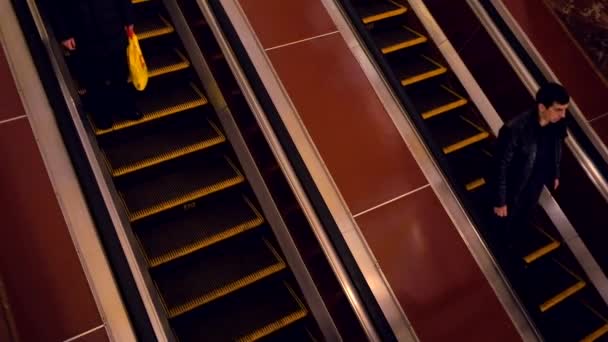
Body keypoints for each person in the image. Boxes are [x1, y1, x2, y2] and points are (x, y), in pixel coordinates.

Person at [492, 82, 569, 256]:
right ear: (542, 107)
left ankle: (513, 248)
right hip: (514, 187)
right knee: (505, 225)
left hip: (535, 184)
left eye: (565, 109)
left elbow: (557, 147)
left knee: (523, 219)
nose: (563, 115)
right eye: (558, 109)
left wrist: (555, 172)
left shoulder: (557, 124)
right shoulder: (515, 129)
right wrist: (500, 200)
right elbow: (500, 165)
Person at [49, 0, 142, 129]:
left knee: (119, 70)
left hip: (112, 23)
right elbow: (54, 5)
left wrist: (128, 18)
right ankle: (101, 113)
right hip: (82, 30)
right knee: (93, 76)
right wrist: (64, 34)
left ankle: (124, 105)